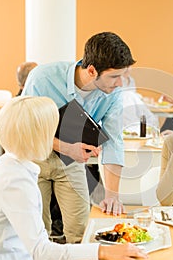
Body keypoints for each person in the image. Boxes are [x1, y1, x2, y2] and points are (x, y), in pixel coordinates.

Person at [0, 96, 148, 260]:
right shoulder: (15, 181)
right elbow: (42, 252)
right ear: (39, 135)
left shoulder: (5, 165)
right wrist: (103, 252)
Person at [22, 32, 135, 243]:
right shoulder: (43, 78)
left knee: (82, 230)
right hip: (34, 157)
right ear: (91, 70)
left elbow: (113, 140)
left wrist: (112, 194)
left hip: (71, 161)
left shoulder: (113, 93)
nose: (120, 83)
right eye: (114, 76)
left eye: (123, 75)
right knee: (37, 231)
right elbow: (25, 128)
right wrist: (65, 147)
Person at [121, 67, 157, 134]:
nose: (127, 69)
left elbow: (134, 95)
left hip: (134, 105)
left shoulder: (131, 80)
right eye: (126, 67)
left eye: (129, 67)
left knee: (151, 117)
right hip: (125, 108)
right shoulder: (118, 81)